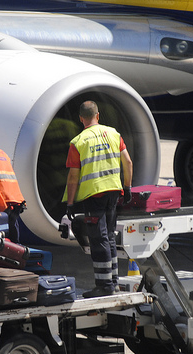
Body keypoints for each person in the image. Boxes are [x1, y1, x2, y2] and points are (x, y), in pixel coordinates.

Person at [63, 101, 133, 298]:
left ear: (80, 119)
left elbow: (73, 176)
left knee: (98, 239)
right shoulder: (113, 134)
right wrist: (127, 186)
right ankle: (113, 283)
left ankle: (104, 286)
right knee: (109, 236)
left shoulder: (78, 141)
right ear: (98, 116)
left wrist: (70, 202)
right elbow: (127, 161)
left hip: (94, 195)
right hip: (113, 191)